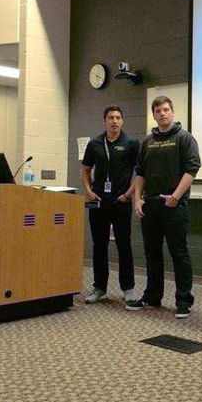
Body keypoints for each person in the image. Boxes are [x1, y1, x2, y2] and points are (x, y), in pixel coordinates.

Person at [125, 96, 201, 318]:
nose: (163, 114)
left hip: (174, 205)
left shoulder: (185, 138)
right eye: (158, 111)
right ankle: (152, 297)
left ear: (173, 112)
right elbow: (140, 172)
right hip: (151, 206)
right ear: (154, 114)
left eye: (166, 109)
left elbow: (192, 169)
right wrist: (137, 199)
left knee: (179, 253)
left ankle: (184, 301)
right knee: (152, 254)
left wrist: (176, 197)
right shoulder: (148, 141)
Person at [81, 106, 140, 304]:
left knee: (124, 245)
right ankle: (99, 288)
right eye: (110, 118)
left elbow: (139, 173)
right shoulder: (95, 144)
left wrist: (128, 194)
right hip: (98, 202)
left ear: (122, 121)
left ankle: (128, 289)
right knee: (99, 245)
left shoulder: (131, 143)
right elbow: (85, 170)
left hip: (120, 201)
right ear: (104, 121)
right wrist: (88, 191)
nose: (114, 121)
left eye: (118, 118)